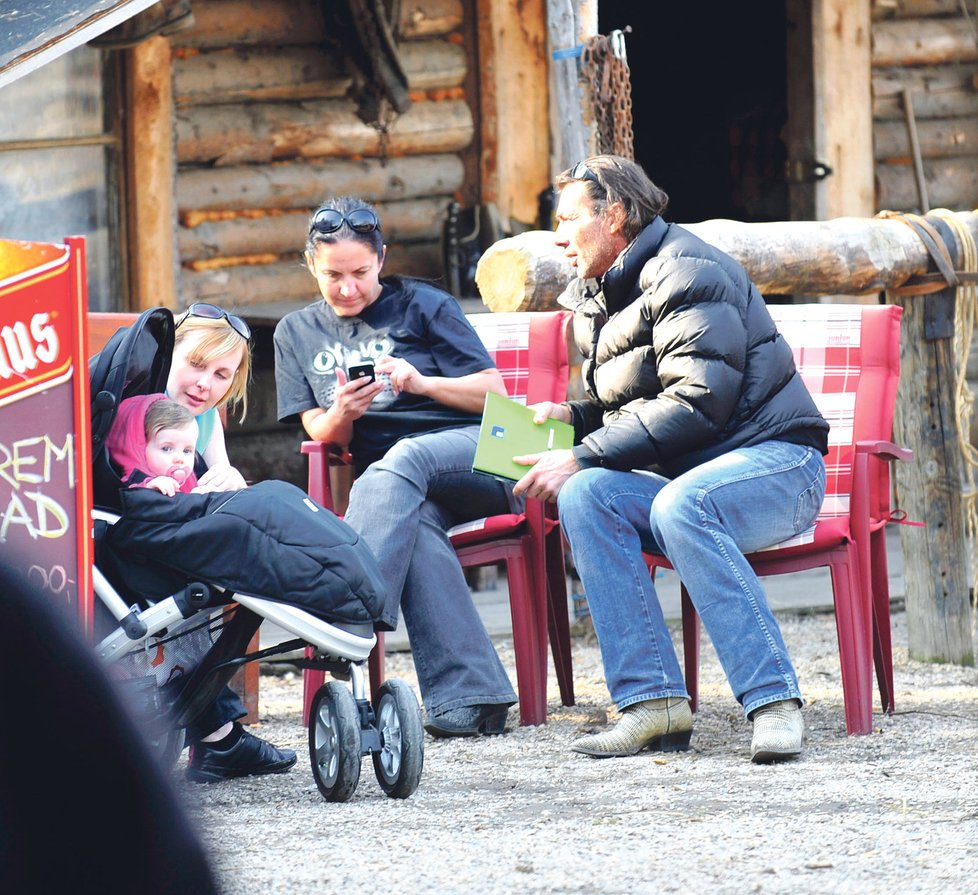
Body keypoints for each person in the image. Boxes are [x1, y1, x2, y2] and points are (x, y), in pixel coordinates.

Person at [511, 155, 829, 763]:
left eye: (569, 219)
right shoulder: (598, 297)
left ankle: (773, 701)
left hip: (778, 465)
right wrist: (573, 418)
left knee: (682, 504)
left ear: (617, 216)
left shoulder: (688, 269)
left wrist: (583, 452)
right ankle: (652, 703)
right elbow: (631, 404)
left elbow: (696, 403)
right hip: (696, 475)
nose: (557, 237)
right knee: (588, 495)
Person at [274, 196, 519, 737]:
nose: (348, 288)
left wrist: (421, 382)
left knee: (402, 458)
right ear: (311, 265)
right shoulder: (294, 332)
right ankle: (472, 699)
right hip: (404, 489)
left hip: (486, 454)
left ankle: (344, 613)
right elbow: (318, 431)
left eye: (360, 272)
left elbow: (495, 394)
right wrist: (342, 413)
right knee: (417, 526)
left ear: (381, 259)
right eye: (333, 275)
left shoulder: (425, 304)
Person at [163, 303, 298, 782]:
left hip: (189, 537)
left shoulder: (205, 417)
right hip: (144, 540)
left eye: (222, 375)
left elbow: (218, 475)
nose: (205, 384)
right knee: (196, 593)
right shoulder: (142, 407)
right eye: (196, 365)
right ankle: (220, 738)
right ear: (167, 353)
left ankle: (219, 738)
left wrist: (229, 478)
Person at [106, 393, 200, 494]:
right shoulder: (136, 482)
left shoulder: (189, 484)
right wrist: (148, 489)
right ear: (142, 448)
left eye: (187, 451)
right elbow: (130, 499)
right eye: (166, 448)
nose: (180, 459)